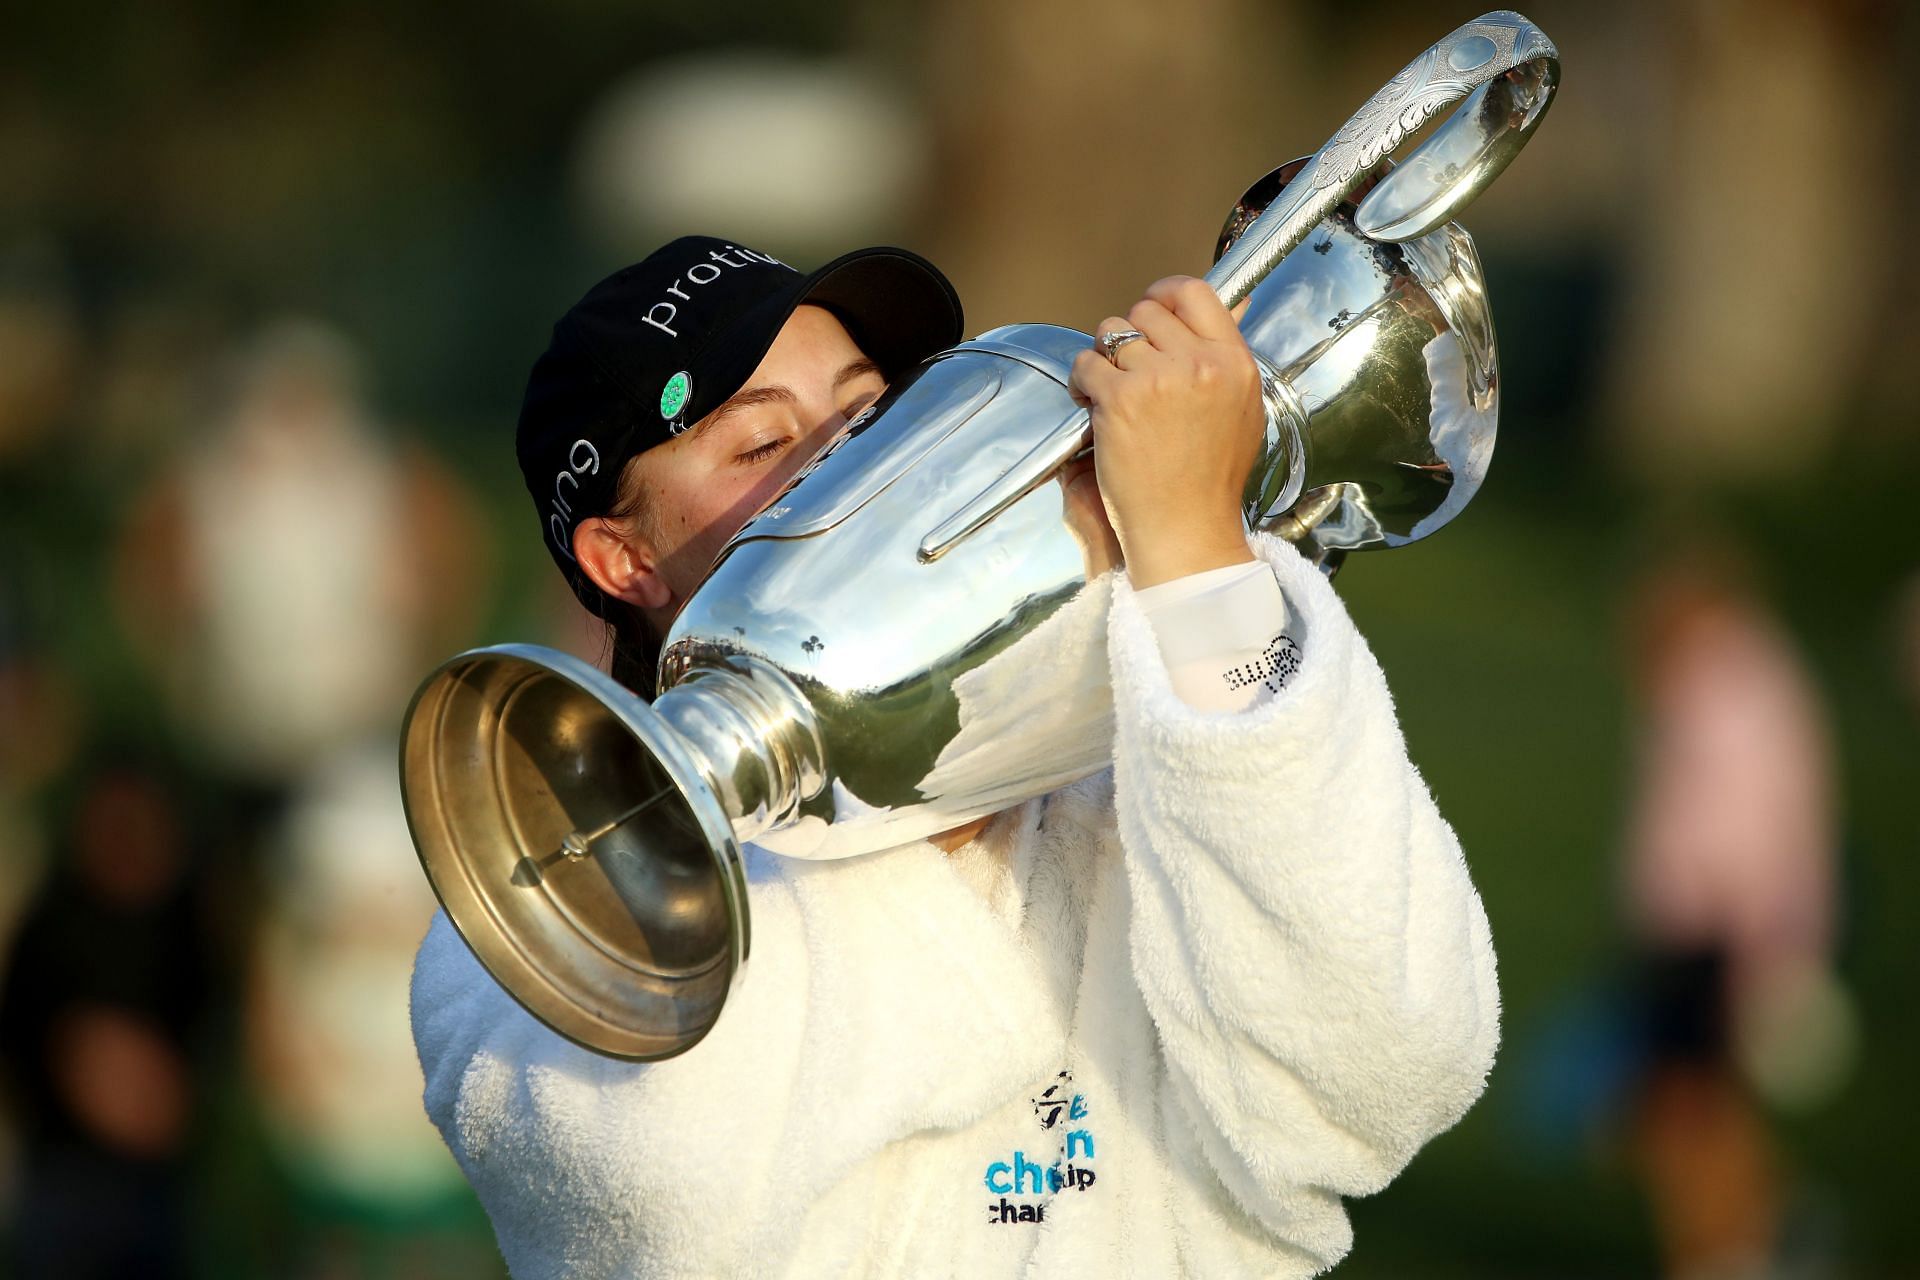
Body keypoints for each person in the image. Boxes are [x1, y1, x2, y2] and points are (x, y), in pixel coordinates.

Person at [410, 236, 1500, 1277]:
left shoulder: (1147, 762)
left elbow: (1386, 1066)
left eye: (871, 409)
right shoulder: (535, 888)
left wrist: (1200, 561)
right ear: (625, 556)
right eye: (762, 444)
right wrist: (900, 779)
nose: (851, 459)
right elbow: (664, 1187)